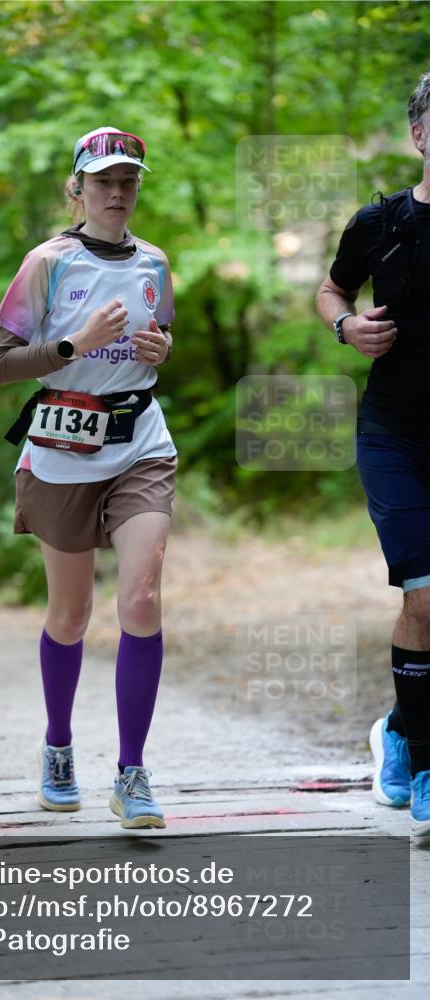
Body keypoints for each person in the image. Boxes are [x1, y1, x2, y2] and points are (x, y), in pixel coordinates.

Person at [0, 126, 177, 829]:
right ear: (78, 189)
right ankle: (59, 747)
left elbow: (160, 337)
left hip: (140, 442)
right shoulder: (47, 262)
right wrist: (73, 344)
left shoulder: (155, 262)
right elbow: (0, 365)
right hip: (62, 448)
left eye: (128, 181)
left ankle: (131, 773)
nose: (117, 192)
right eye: (103, 181)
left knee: (142, 602)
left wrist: (160, 347)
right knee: (70, 615)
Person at [316, 74, 430, 838]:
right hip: (394, 435)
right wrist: (344, 326)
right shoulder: (380, 222)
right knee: (425, 597)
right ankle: (422, 766)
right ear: (419, 136)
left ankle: (395, 726)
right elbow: (329, 291)